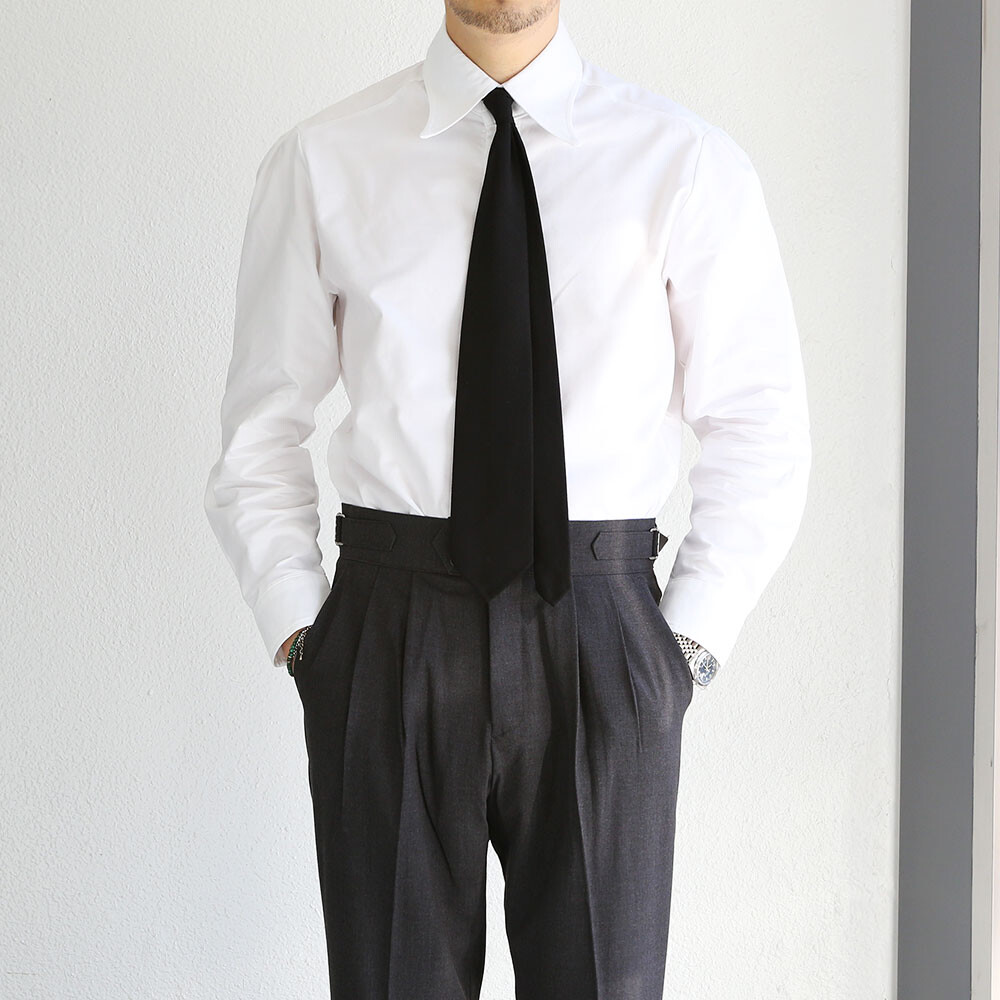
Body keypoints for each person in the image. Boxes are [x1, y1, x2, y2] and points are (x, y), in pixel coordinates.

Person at [204, 1, 812, 997]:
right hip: (389, 625)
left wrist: (684, 648)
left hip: (603, 627)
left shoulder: (687, 163)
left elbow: (759, 424)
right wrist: (306, 638)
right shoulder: (321, 161)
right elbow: (260, 429)